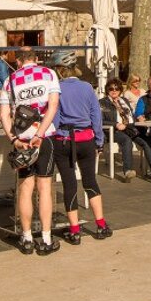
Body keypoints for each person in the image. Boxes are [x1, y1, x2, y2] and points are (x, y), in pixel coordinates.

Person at [0, 48, 61, 255]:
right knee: (44, 187)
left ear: (18, 61)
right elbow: (53, 107)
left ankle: (26, 238)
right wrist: (41, 133)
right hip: (44, 136)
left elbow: (4, 114)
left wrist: (14, 139)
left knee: (25, 187)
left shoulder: (10, 80)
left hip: (22, 137)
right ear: (36, 59)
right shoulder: (49, 74)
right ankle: (45, 238)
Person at [53, 65, 111, 244]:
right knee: (90, 181)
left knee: (69, 184)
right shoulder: (87, 87)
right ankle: (101, 224)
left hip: (64, 139)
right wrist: (99, 141)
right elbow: (96, 115)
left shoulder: (57, 88)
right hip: (86, 138)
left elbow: (54, 116)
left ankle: (75, 230)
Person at [99, 79, 151, 181]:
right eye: (111, 88)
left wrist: (139, 118)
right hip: (113, 131)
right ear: (107, 90)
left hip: (129, 128)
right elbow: (100, 120)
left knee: (145, 140)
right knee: (126, 140)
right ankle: (128, 171)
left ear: (120, 90)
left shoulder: (124, 100)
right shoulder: (102, 103)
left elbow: (131, 115)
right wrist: (116, 124)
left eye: (117, 88)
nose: (114, 90)